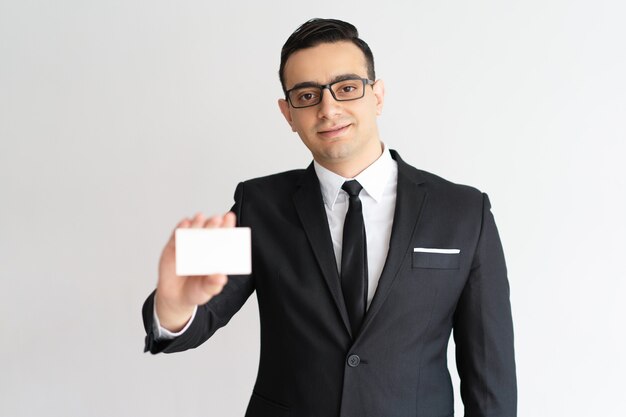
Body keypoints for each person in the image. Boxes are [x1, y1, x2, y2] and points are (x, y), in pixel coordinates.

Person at [142, 18, 517, 417]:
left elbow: (490, 379)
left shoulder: (463, 211)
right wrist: (172, 305)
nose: (328, 108)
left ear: (378, 95)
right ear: (288, 114)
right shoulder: (258, 205)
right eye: (307, 95)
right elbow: (194, 319)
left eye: (347, 88)